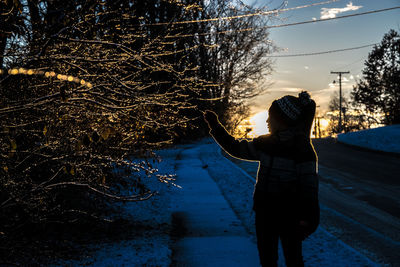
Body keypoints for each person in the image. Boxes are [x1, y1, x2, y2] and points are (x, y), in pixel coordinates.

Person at [203, 91, 320, 267]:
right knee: (267, 260)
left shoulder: (302, 150)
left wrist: (308, 220)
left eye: (270, 117)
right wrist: (216, 126)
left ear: (282, 121)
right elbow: (236, 148)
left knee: (293, 260)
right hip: (265, 214)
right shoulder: (266, 144)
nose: (267, 121)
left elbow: (309, 190)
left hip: (291, 217)